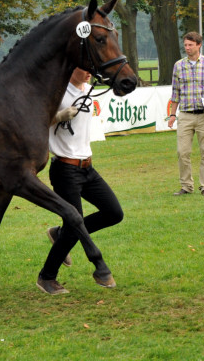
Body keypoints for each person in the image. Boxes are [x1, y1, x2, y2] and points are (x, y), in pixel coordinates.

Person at [37, 67, 124, 295]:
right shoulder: (57, 92)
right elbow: (36, 121)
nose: (89, 72)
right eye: (84, 68)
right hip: (65, 169)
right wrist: (57, 116)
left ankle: (60, 234)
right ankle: (47, 277)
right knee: (74, 224)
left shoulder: (89, 89)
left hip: (87, 168)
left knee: (114, 213)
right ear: (72, 67)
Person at [168, 31, 204, 197]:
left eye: (190, 45)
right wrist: (172, 115)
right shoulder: (179, 66)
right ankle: (186, 186)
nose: (187, 48)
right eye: (185, 45)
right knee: (182, 152)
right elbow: (175, 92)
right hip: (185, 114)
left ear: (199, 45)